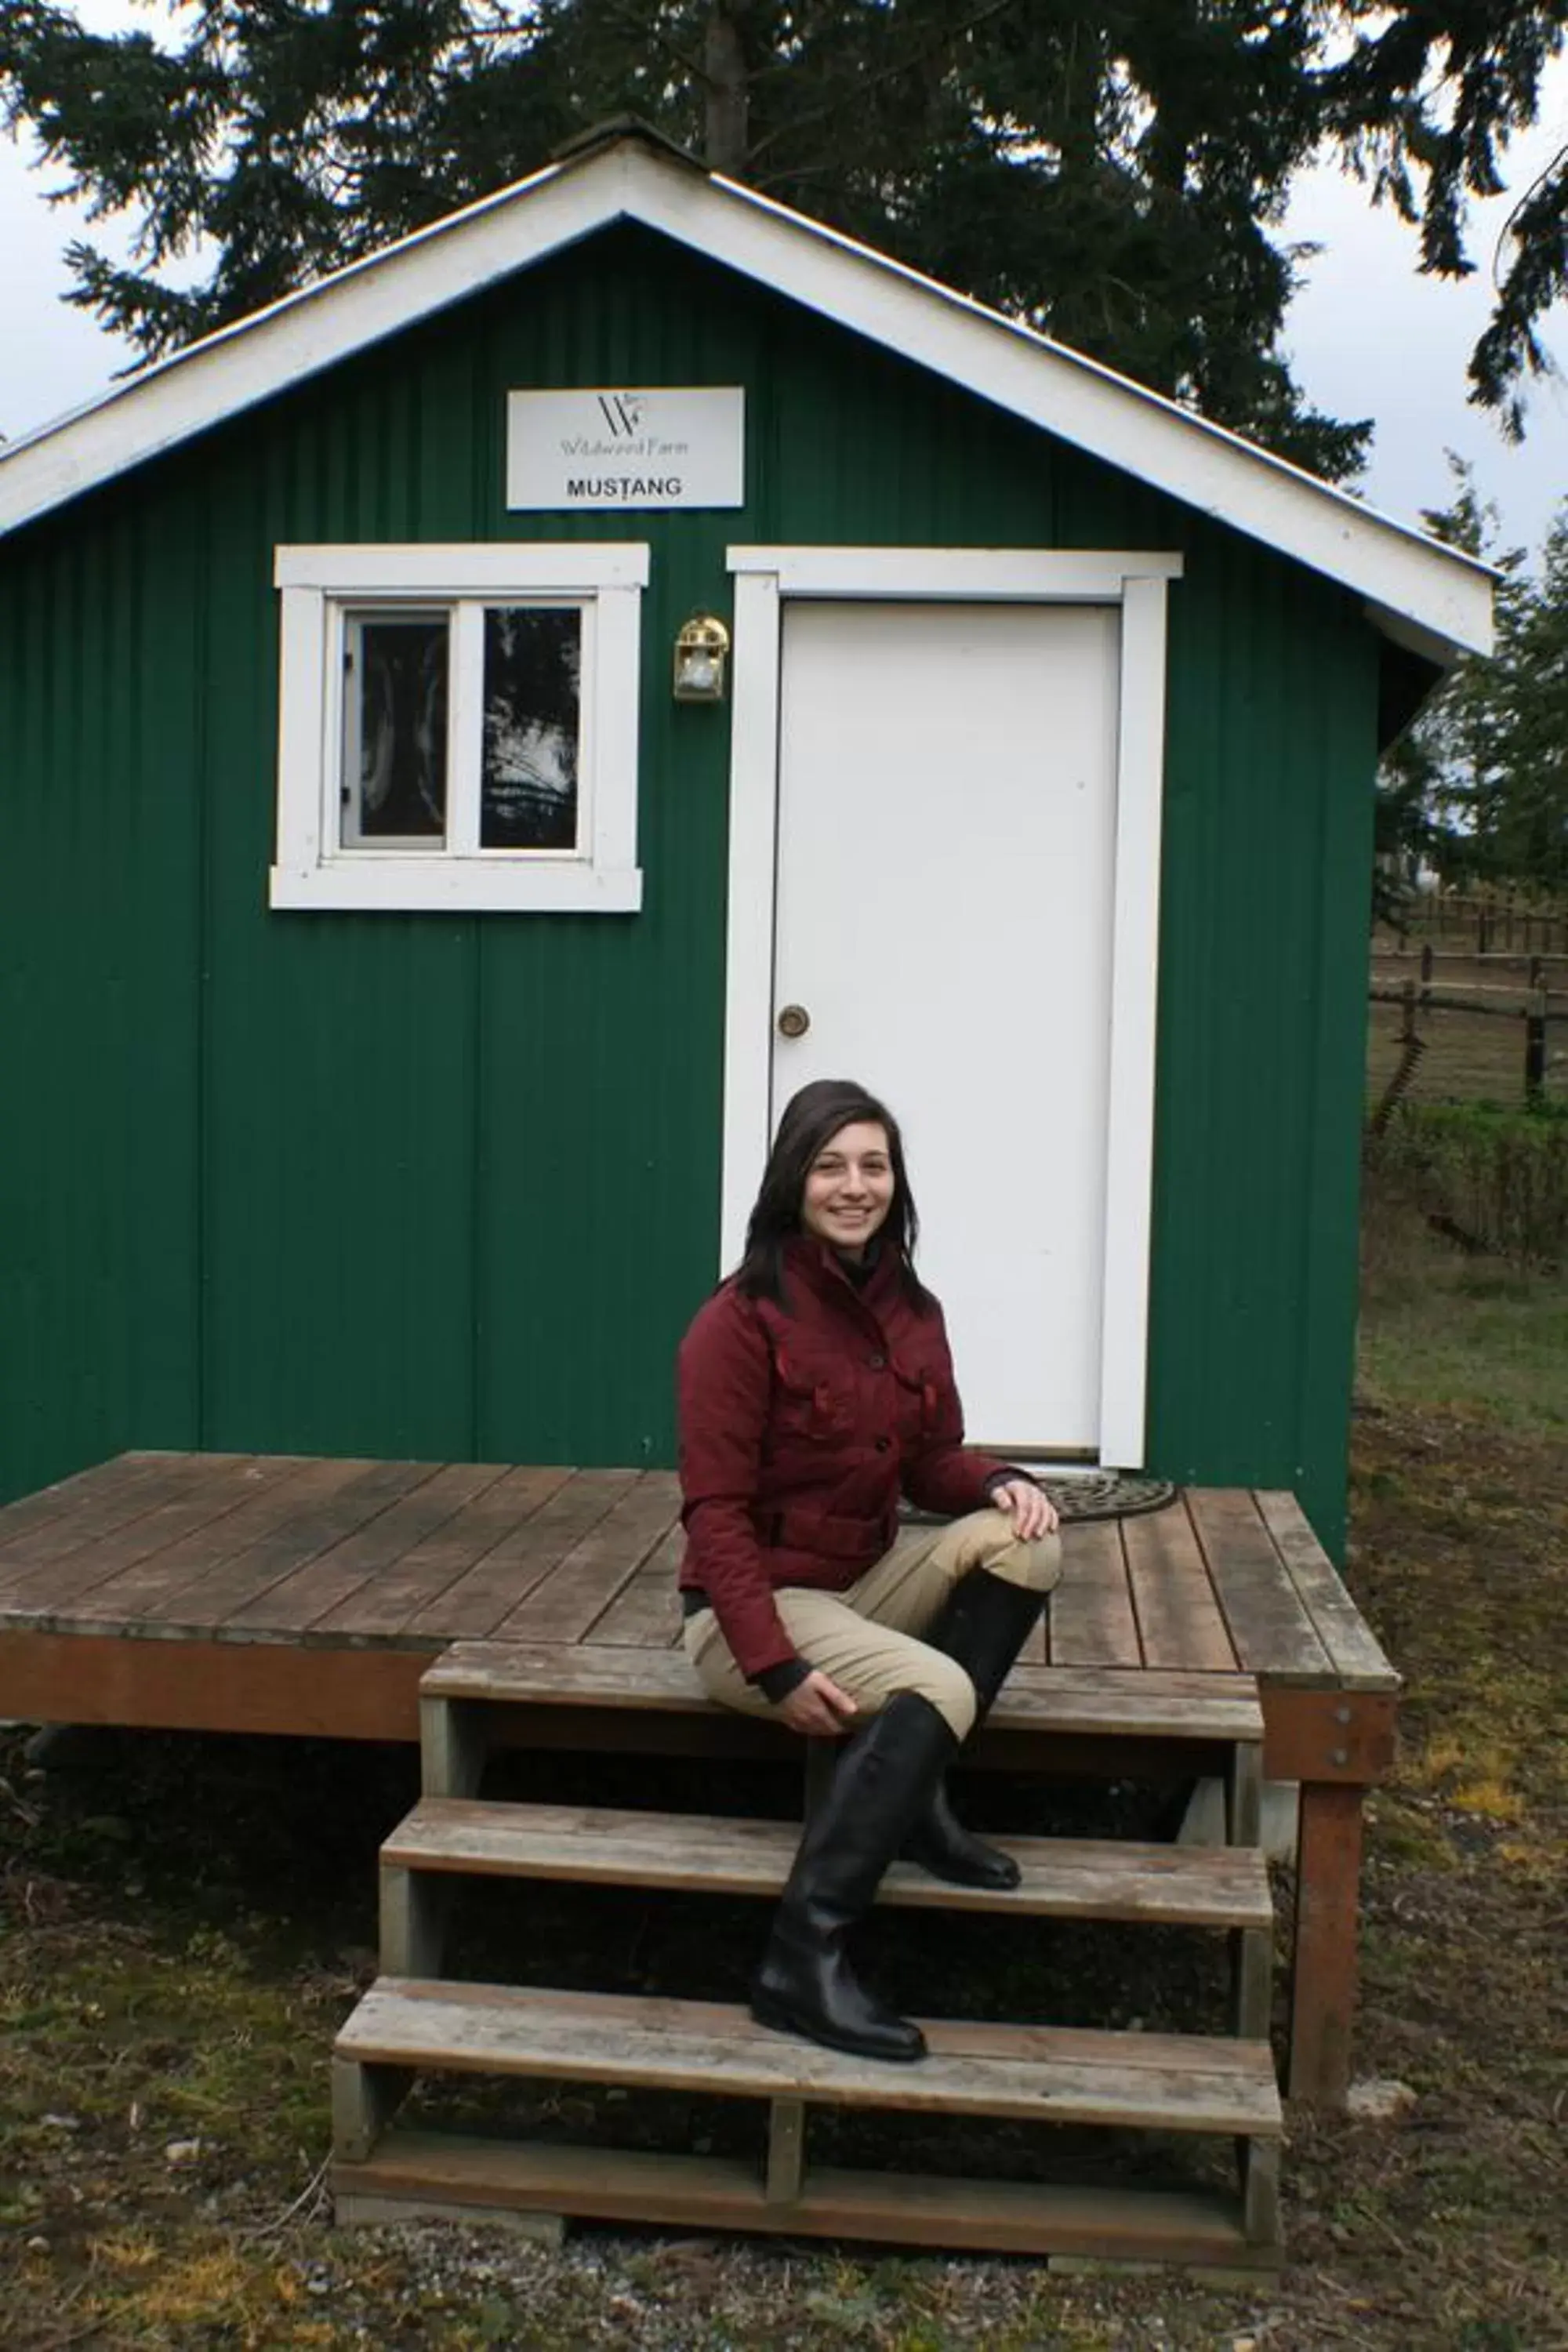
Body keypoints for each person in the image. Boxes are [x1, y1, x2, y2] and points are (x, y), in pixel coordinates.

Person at [677, 1077, 1062, 2064]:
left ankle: (917, 1799)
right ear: (791, 1180)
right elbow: (713, 1514)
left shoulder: (911, 1307)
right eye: (829, 1165)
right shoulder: (737, 1320)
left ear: (895, 1180)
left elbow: (931, 1462)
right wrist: (772, 1665)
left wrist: (1000, 1481)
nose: (854, 1186)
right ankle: (799, 1963)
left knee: (1028, 1540)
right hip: (745, 1614)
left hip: (856, 1584)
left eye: (873, 1165)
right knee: (932, 1680)